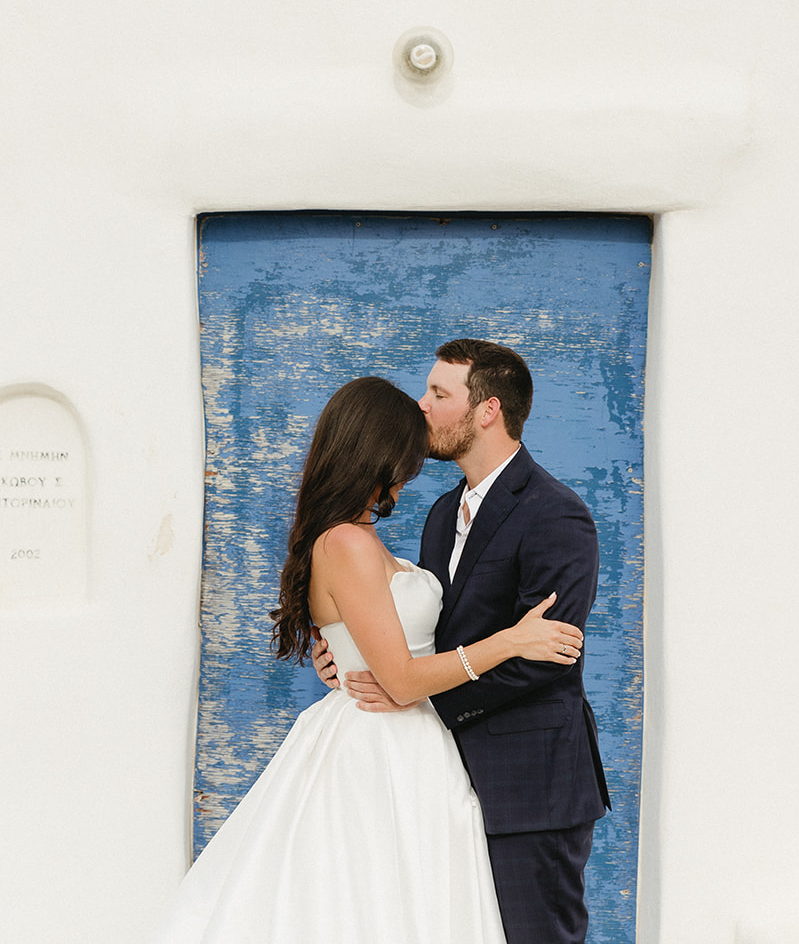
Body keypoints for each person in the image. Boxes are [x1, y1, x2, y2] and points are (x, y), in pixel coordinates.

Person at [153, 376, 584, 944]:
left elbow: (382, 641)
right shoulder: (349, 543)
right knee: (379, 901)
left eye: (438, 394)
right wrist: (510, 640)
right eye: (405, 455)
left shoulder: (355, 536)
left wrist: (339, 648)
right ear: (378, 451)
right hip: (381, 747)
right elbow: (401, 679)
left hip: (417, 744)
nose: (410, 470)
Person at [321, 340, 611, 944]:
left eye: (439, 394)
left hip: (529, 789)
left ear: (487, 411)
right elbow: (421, 632)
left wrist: (411, 694)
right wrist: (350, 657)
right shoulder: (439, 513)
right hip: (436, 779)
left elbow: (546, 658)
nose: (422, 406)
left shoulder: (557, 514)